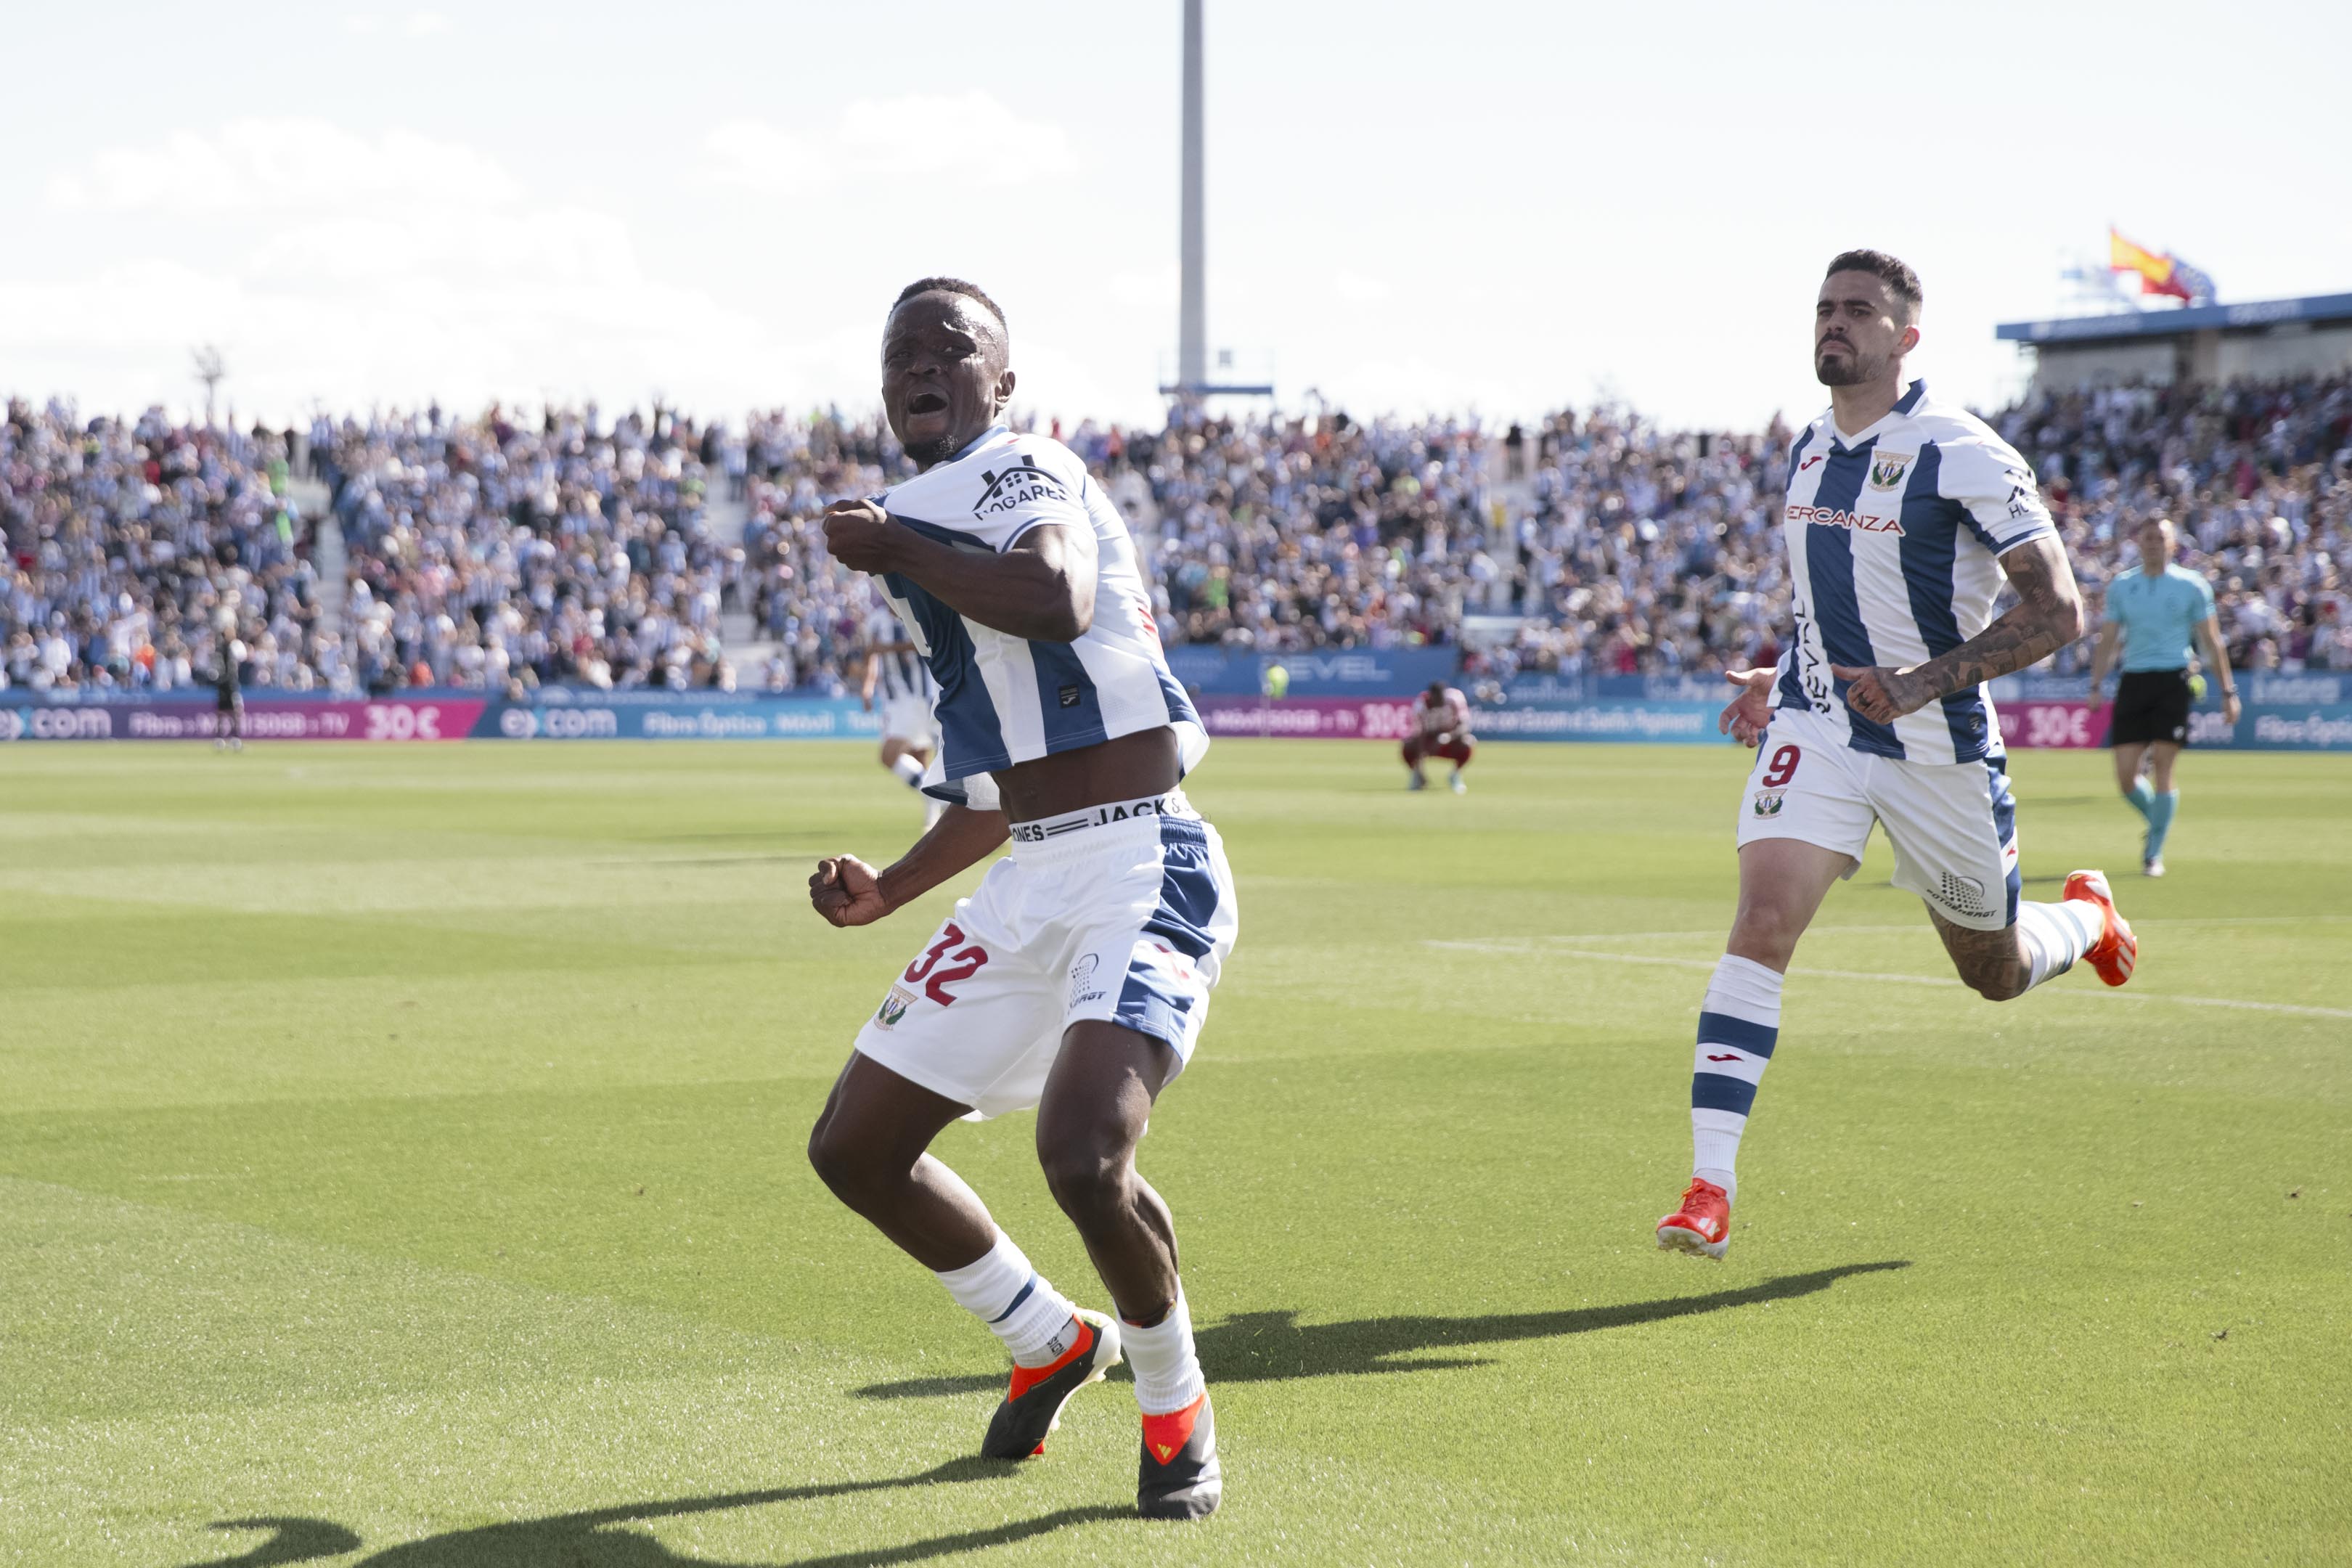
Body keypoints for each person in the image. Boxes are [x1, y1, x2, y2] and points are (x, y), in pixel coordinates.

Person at [804, 279, 1236, 1521]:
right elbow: (1009, 785)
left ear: (1005, 381)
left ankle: (1175, 1404)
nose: (923, 365)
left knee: (1084, 1155)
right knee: (855, 1147)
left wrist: (892, 547)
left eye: (955, 348)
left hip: (1144, 863)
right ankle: (1048, 1336)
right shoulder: (920, 512)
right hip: (1034, 869)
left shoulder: (1016, 469)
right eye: (902, 353)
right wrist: (891, 886)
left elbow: (1059, 597)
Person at [1655, 250, 2139, 1262]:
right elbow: (1823, 605)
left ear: (1905, 336)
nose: (1835, 324)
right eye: (1826, 308)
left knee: (1994, 974)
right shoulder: (1806, 449)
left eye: (1859, 311)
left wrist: (1922, 683)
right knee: (1762, 922)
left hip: (1936, 748)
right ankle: (1710, 1187)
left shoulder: (1960, 450)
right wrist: (1777, 682)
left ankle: (2088, 914)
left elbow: (2059, 610)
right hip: (1821, 728)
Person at [2088, 518, 2239, 877]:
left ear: (2173, 545)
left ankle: (2152, 854)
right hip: (2134, 680)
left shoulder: (2192, 585)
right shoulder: (2123, 586)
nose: (2154, 544)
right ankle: (2158, 821)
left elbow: (2211, 641)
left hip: (2174, 678)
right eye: (2149, 538)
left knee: (2163, 769)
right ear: (2139, 544)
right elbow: (2108, 639)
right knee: (2126, 777)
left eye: (2161, 538)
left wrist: (2228, 691)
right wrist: (2095, 684)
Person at [860, 600, 944, 825]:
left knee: (907, 755)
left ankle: (937, 799)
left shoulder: (916, 613)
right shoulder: (876, 621)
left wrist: (887, 648)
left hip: (924, 694)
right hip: (897, 699)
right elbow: (871, 656)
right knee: (904, 757)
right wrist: (867, 688)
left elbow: (927, 646)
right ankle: (936, 804)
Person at [1402, 679, 1473, 792]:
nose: (1440, 701)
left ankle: (1455, 775)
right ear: (1431, 696)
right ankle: (1416, 777)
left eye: (1442, 698)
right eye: (1438, 698)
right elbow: (1420, 734)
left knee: (1467, 743)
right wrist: (1421, 770)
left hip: (1451, 740)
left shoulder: (1455, 698)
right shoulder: (1421, 704)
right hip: (1430, 740)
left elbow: (1464, 726)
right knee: (1408, 745)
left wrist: (1449, 736)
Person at [213, 630, 245, 751]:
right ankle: (222, 737)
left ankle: (233, 737)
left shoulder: (233, 648)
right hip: (225, 685)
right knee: (224, 713)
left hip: (230, 684)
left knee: (234, 712)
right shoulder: (222, 649)